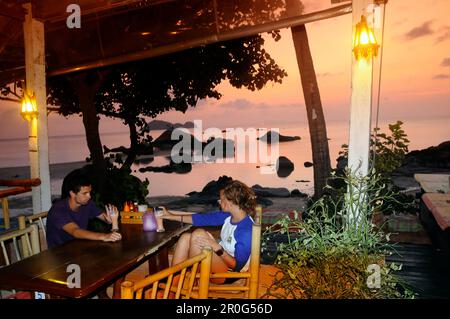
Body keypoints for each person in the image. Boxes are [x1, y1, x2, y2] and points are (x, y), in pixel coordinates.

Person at [159, 180, 256, 283]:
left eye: (221, 199)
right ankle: (173, 285)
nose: (219, 201)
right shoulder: (230, 216)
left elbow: (237, 266)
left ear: (231, 203)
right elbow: (200, 219)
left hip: (231, 274)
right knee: (185, 237)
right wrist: (169, 215)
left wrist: (217, 247)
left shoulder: (246, 230)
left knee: (198, 234)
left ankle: (194, 282)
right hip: (220, 261)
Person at [46, 169, 122, 249]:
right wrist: (104, 236)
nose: (89, 196)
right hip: (59, 255)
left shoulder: (87, 204)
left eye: (89, 192)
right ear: (72, 193)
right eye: (84, 193)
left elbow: (105, 218)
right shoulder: (58, 210)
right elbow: (75, 231)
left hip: (79, 248)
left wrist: (112, 220)